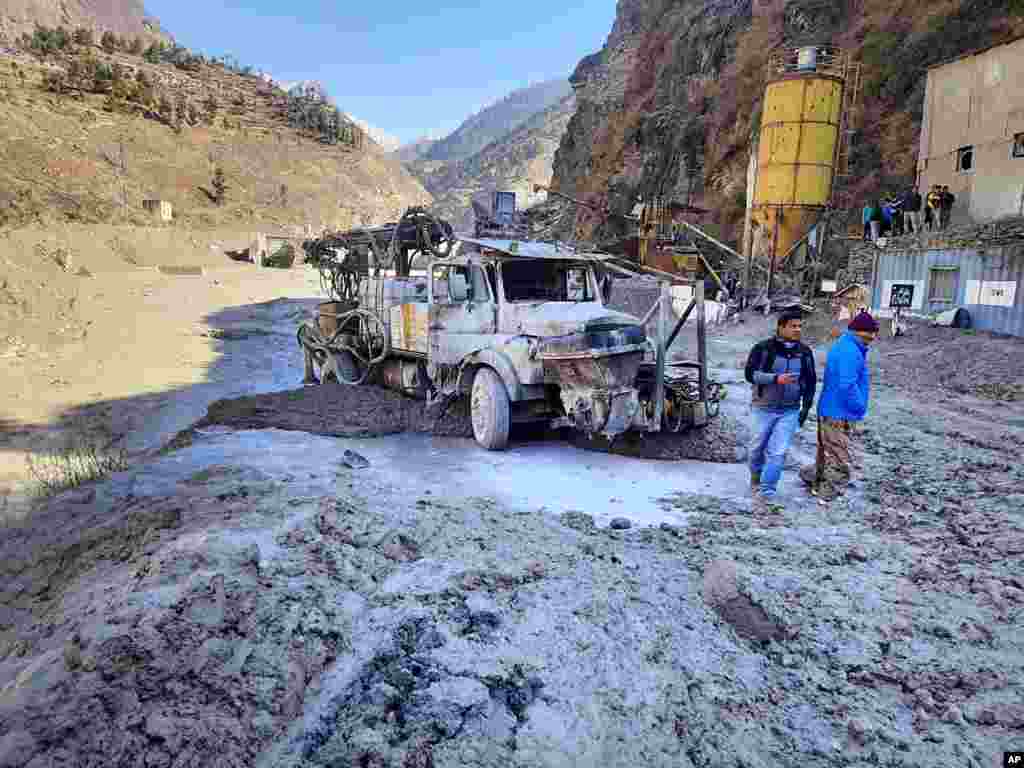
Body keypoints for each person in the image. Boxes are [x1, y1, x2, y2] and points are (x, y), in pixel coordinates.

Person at [800, 311, 878, 503]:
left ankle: (815, 482)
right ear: (860, 332)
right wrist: (859, 407)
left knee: (826, 453)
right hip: (839, 412)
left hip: (831, 410)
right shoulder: (850, 351)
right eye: (871, 333)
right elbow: (847, 385)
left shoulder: (846, 346)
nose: (874, 337)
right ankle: (828, 495)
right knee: (839, 458)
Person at [744, 309, 817, 511]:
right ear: (781, 327)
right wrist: (776, 379)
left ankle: (767, 492)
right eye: (793, 326)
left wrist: (805, 408)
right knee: (756, 449)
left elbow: (810, 381)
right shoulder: (763, 349)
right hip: (763, 408)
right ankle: (756, 477)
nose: (797, 330)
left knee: (778, 452)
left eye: (800, 326)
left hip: (790, 410)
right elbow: (750, 375)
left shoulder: (804, 352)